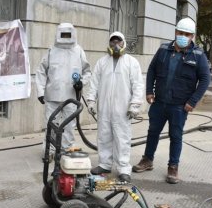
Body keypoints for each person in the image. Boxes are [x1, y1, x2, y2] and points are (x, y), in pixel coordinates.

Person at [132, 18, 210, 184]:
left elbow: (204, 80)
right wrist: (149, 91)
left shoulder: (198, 55)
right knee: (153, 132)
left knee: (176, 136)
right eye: (180, 33)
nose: (183, 36)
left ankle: (173, 167)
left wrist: (192, 101)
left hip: (179, 106)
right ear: (176, 32)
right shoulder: (163, 49)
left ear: (192, 36)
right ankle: (147, 160)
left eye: (187, 34)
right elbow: (152, 70)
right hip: (159, 102)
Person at [85, 31, 144, 183]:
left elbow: (137, 85)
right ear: (109, 44)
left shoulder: (132, 62)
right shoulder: (102, 62)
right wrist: (91, 100)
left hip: (123, 109)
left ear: (124, 43)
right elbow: (94, 83)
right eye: (113, 42)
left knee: (122, 138)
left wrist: (135, 105)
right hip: (104, 108)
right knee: (104, 136)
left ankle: (123, 168)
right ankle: (105, 164)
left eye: (118, 42)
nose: (116, 45)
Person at [36, 23, 91, 154]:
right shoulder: (51, 51)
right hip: (52, 94)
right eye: (63, 34)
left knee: (70, 125)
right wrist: (40, 92)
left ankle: (66, 149)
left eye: (68, 35)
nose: (66, 38)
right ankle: (50, 150)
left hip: (71, 96)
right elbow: (41, 71)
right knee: (51, 124)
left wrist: (81, 82)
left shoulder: (79, 51)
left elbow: (87, 71)